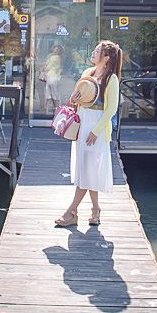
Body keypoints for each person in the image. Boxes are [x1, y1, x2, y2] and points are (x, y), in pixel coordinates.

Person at [54, 40, 122, 228]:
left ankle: (71, 212)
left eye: (97, 51)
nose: (93, 53)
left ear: (106, 58)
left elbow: (111, 109)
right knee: (87, 167)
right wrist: (74, 99)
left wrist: (96, 130)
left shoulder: (111, 79)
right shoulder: (87, 73)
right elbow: (78, 100)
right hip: (83, 121)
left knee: (88, 167)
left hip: (97, 125)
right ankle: (95, 210)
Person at [43, 44, 64, 112]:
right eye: (55, 48)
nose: (55, 50)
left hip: (51, 76)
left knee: (49, 93)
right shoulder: (60, 57)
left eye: (57, 49)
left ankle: (47, 109)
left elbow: (48, 66)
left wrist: (44, 69)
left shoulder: (52, 57)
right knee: (55, 93)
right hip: (55, 77)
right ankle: (56, 108)